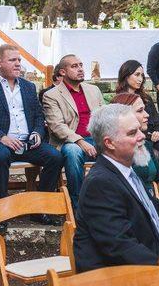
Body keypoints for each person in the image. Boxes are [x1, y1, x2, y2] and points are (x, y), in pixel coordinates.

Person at [73, 104, 159, 283]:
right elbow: (120, 245)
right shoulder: (100, 183)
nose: (141, 137)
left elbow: (152, 209)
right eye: (132, 133)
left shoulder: (126, 171)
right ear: (109, 143)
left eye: (139, 130)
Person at [0, 45, 63, 227]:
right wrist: (1, 137)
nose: (18, 64)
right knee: (0, 155)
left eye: (19, 60)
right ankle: (2, 212)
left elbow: (38, 115)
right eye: (13, 60)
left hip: (26, 143)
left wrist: (36, 132)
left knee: (55, 157)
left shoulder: (28, 87)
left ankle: (39, 209)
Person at [42, 54, 104, 209]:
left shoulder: (93, 90)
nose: (80, 69)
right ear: (62, 72)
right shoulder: (51, 95)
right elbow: (57, 126)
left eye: (81, 65)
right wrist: (80, 141)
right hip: (70, 141)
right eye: (74, 66)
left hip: (96, 138)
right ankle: (78, 205)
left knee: (124, 147)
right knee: (73, 152)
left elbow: (105, 116)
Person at [110, 93, 159, 196]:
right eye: (140, 110)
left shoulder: (145, 145)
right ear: (124, 116)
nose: (147, 114)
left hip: (151, 203)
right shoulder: (117, 150)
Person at [117, 60, 159, 171]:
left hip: (155, 138)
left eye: (142, 75)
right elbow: (125, 129)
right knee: (155, 154)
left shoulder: (146, 98)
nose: (140, 79)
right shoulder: (120, 100)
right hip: (137, 140)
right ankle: (157, 184)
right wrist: (151, 136)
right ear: (126, 75)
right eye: (137, 75)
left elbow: (157, 122)